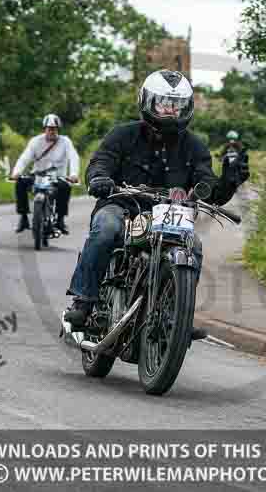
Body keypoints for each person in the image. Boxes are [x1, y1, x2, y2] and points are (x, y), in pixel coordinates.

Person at [64, 69, 250, 340]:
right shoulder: (123, 135)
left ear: (186, 108)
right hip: (122, 206)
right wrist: (100, 178)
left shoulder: (195, 147)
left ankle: (177, 317)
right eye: (164, 103)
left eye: (176, 106)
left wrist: (229, 182)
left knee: (193, 246)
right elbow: (101, 161)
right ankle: (84, 300)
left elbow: (207, 189)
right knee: (106, 228)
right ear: (148, 102)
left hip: (168, 214)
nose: (169, 111)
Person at [10, 114, 80, 235]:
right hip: (37, 175)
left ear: (58, 129)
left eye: (54, 128)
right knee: (20, 183)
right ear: (44, 129)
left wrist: (73, 174)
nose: (52, 131)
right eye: (49, 128)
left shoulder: (65, 142)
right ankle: (24, 218)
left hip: (57, 177)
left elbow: (73, 157)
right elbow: (24, 158)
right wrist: (16, 172)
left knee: (66, 187)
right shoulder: (35, 141)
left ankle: (60, 220)